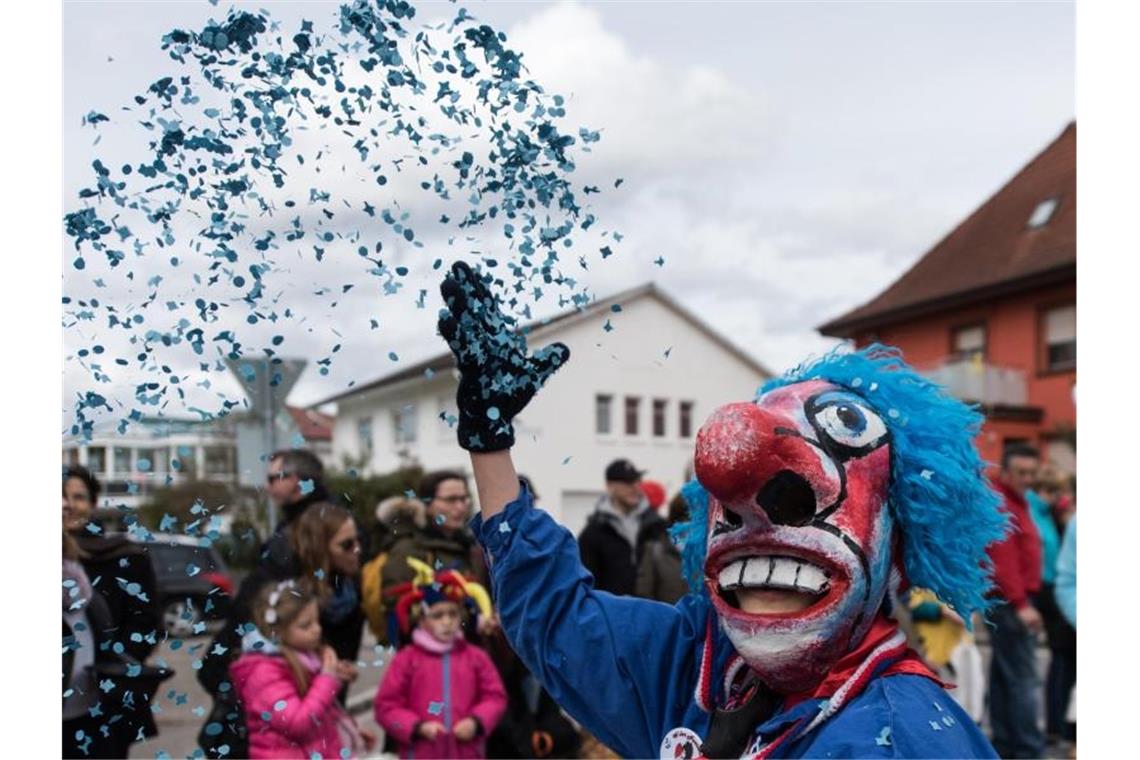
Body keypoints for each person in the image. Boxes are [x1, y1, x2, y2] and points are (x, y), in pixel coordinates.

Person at [437, 261, 1001, 758]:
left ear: (900, 542)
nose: (753, 503)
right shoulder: (691, 664)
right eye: (729, 502)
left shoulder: (899, 739)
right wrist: (489, 443)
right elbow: (556, 620)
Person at [196, 448, 331, 756]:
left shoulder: (311, 525)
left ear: (297, 480)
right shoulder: (295, 523)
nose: (268, 486)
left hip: (280, 648)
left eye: (274, 478)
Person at [63, 465, 163, 757]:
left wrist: (113, 665)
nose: (69, 505)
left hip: (104, 702)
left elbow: (146, 625)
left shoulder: (123, 556)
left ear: (93, 504)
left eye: (78, 497)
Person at [374, 565, 507, 759]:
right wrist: (417, 727)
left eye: (452, 614)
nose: (447, 621)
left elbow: (495, 697)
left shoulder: (475, 657)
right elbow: (386, 706)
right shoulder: (407, 660)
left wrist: (476, 722)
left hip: (467, 752)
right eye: (437, 615)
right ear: (421, 619)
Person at [229, 580, 373, 759]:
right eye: (306, 625)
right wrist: (327, 679)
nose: (317, 630)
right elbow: (298, 723)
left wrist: (348, 734)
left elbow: (320, 717)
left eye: (317, 621)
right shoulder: (263, 672)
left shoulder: (304, 659)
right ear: (278, 631)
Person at [378, 470, 491, 645]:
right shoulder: (408, 548)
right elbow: (397, 609)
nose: (460, 506)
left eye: (464, 499)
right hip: (428, 659)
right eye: (451, 500)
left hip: (472, 656)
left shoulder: (470, 545)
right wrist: (472, 621)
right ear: (427, 504)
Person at [985, 444, 1046, 759]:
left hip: (1007, 599)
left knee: (1005, 676)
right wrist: (1022, 603)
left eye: (1031, 473)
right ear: (1006, 472)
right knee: (1023, 679)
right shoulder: (1003, 503)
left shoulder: (1015, 500)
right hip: (1010, 601)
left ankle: (1007, 744)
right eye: (1021, 472)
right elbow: (1002, 559)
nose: (1027, 478)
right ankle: (1027, 749)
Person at [290, 503, 367, 698]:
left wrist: (345, 667)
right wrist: (323, 667)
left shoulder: (352, 587)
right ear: (321, 549)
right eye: (347, 545)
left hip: (334, 699)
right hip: (302, 702)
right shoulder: (294, 595)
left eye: (358, 540)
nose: (357, 549)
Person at [1028, 467, 1077, 750]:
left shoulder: (1053, 517)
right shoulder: (1037, 513)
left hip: (1051, 588)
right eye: (1056, 492)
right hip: (1046, 591)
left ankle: (1060, 726)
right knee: (1062, 663)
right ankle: (1056, 726)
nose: (1062, 498)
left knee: (1064, 663)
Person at [577, 459, 667, 596]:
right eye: (627, 482)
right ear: (609, 486)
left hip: (655, 613)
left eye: (637, 481)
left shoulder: (658, 526)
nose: (635, 487)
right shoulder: (592, 533)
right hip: (614, 614)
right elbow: (588, 586)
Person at [905, 589, 986, 723]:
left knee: (971, 695)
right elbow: (916, 609)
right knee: (943, 702)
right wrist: (944, 611)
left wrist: (970, 613)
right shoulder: (924, 581)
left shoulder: (964, 578)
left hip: (963, 646)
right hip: (936, 650)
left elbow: (974, 603)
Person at [635, 492, 690, 604]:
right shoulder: (654, 550)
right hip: (667, 618)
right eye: (687, 518)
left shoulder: (709, 551)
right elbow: (644, 595)